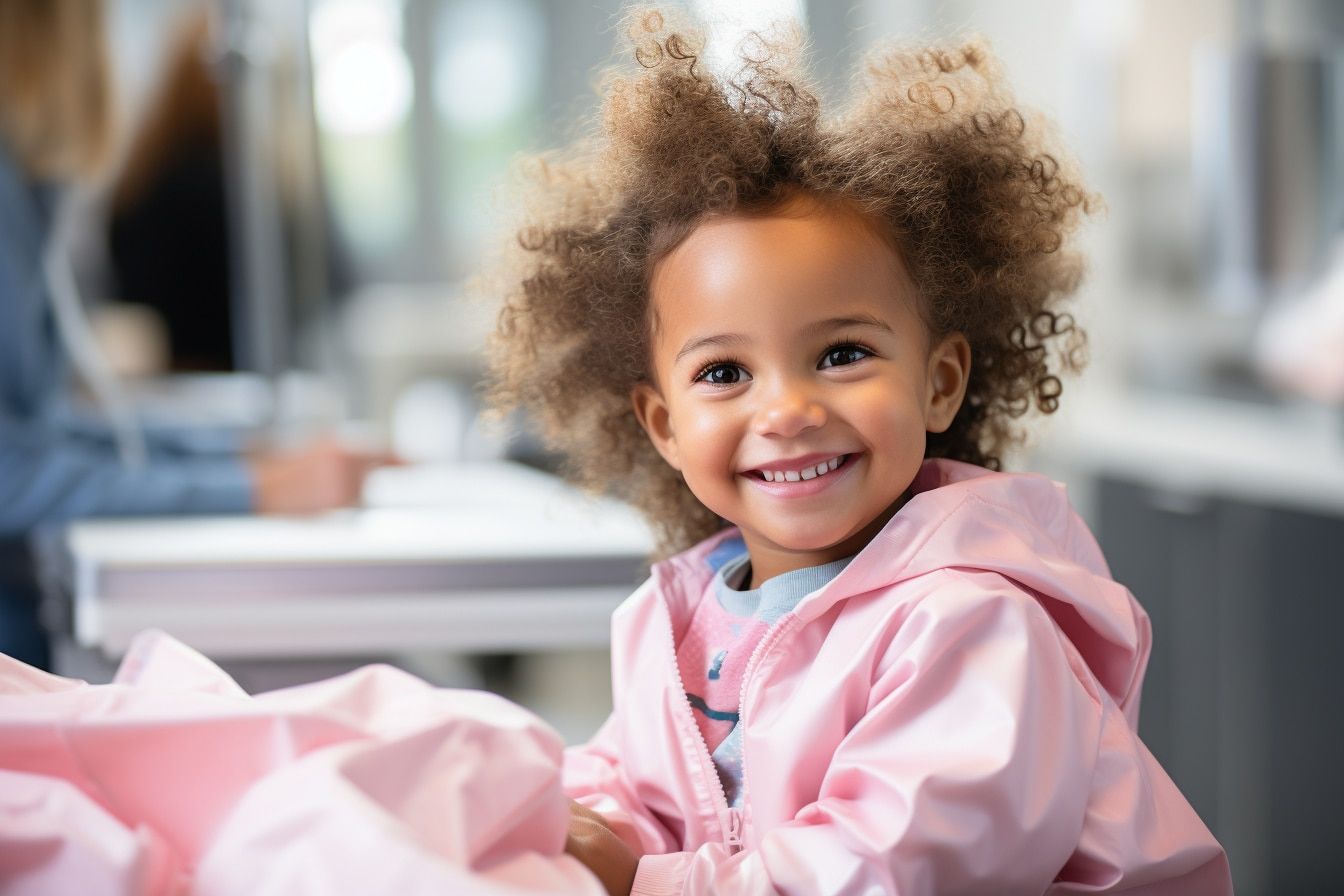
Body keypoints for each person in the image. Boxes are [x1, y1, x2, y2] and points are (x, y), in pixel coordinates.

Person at [488, 11, 1234, 895]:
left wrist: (645, 882)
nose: (790, 409)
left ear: (940, 380)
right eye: (725, 371)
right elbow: (635, 792)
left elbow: (891, 866)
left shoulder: (977, 625)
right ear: (662, 425)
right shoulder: (679, 621)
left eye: (843, 354)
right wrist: (568, 829)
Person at [0, 0, 381, 670]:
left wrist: (239, 456)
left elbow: (42, 427)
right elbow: (14, 467)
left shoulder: (29, 184)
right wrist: (253, 488)